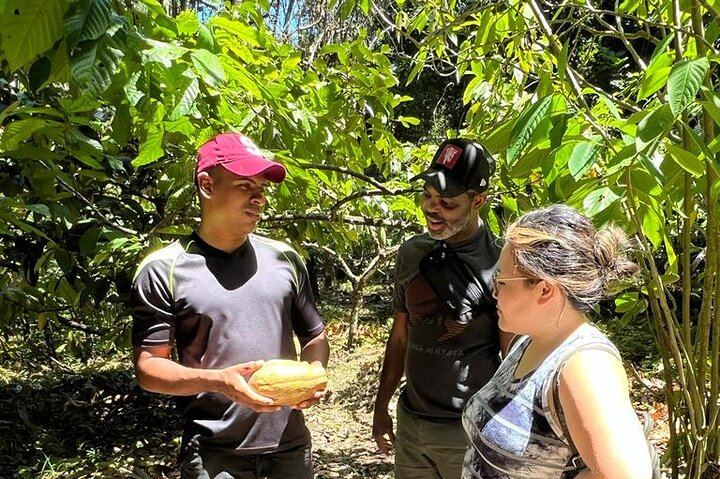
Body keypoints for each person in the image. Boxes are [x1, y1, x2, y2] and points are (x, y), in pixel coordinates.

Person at [131, 132, 330, 479]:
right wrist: (219, 382)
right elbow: (149, 369)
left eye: (262, 189)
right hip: (214, 454)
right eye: (245, 186)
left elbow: (315, 336)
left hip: (289, 449)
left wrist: (314, 374)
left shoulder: (285, 259)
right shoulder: (164, 270)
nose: (259, 199)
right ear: (207, 185)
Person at [461, 204, 653, 479]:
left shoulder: (585, 366)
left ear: (545, 290)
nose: (494, 292)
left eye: (502, 282)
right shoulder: (528, 342)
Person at [372, 138, 513, 479]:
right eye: (427, 197)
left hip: (466, 429)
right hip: (412, 423)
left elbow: (511, 352)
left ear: (478, 200)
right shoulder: (412, 254)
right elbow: (401, 335)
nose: (432, 209)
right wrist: (382, 405)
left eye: (447, 203)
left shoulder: (502, 261)